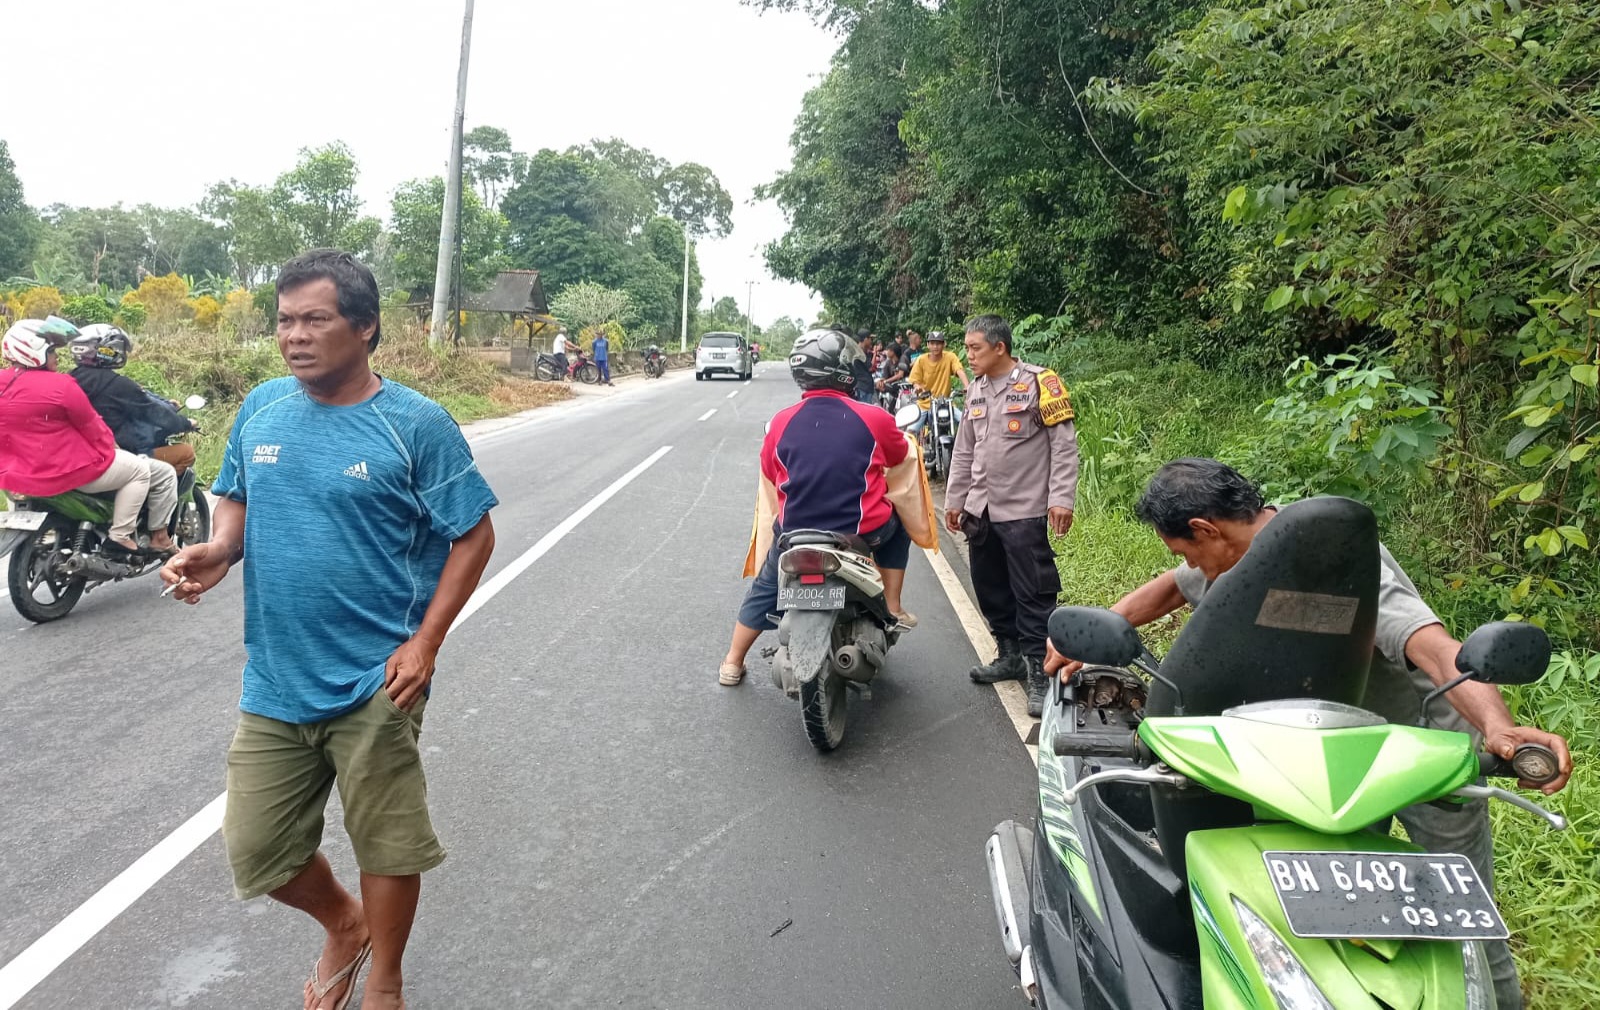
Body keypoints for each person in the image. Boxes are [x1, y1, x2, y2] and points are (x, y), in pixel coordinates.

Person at [1045, 458, 1573, 1009]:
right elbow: (1172, 589)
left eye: (1185, 549)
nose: (1189, 564)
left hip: (1411, 748)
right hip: (1321, 746)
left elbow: (1434, 648)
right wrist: (1098, 627)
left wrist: (1500, 727)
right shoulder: (1241, 553)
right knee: (1330, 898)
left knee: (1455, 920)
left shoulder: (1331, 561)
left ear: (1205, 529)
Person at [160, 250, 498, 1010]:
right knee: (258, 849)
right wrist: (218, 549)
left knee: (387, 842)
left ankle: (385, 980)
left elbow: (473, 537)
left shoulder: (415, 424)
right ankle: (345, 923)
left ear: (365, 326)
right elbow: (236, 498)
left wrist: (426, 643)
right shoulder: (262, 407)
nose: (295, 336)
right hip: (275, 676)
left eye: (315, 319)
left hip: (378, 675)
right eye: (285, 321)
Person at [719, 328, 917, 686]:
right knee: (899, 525)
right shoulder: (873, 417)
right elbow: (899, 454)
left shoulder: (781, 421)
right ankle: (892, 605)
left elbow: (769, 470)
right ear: (843, 371)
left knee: (767, 584)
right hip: (861, 533)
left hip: (795, 533)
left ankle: (733, 661)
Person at [944, 314, 1079, 716]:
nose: (968, 356)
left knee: (1033, 593)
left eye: (975, 348)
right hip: (981, 509)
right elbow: (965, 450)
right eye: (967, 348)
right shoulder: (976, 392)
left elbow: (1064, 446)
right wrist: (955, 499)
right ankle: (1009, 655)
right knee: (989, 587)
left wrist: (1062, 499)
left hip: (1024, 509)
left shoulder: (1041, 382)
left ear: (999, 347)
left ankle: (1039, 671)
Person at [0, 317, 164, 554]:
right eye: (52, 350)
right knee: (139, 470)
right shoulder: (62, 385)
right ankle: (120, 535)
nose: (57, 356)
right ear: (33, 351)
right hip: (64, 471)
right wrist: (112, 447)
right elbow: (92, 427)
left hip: (13, 474)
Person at [68, 325, 184, 541]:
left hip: (74, 455)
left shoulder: (68, 380)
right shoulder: (117, 384)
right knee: (170, 468)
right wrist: (184, 422)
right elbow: (153, 412)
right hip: (114, 453)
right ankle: (156, 536)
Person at [906, 330, 968, 434]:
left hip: (946, 402)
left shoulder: (950, 357)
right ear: (928, 345)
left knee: (967, 423)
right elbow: (915, 380)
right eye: (932, 343)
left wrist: (967, 386)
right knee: (910, 432)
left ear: (944, 344)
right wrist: (917, 387)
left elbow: (959, 370)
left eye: (938, 343)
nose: (935, 346)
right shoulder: (921, 360)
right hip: (925, 403)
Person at [852, 330, 877, 403]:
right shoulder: (860, 353)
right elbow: (871, 368)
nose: (871, 341)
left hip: (863, 387)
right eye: (870, 339)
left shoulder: (859, 351)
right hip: (863, 388)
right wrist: (875, 353)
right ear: (865, 339)